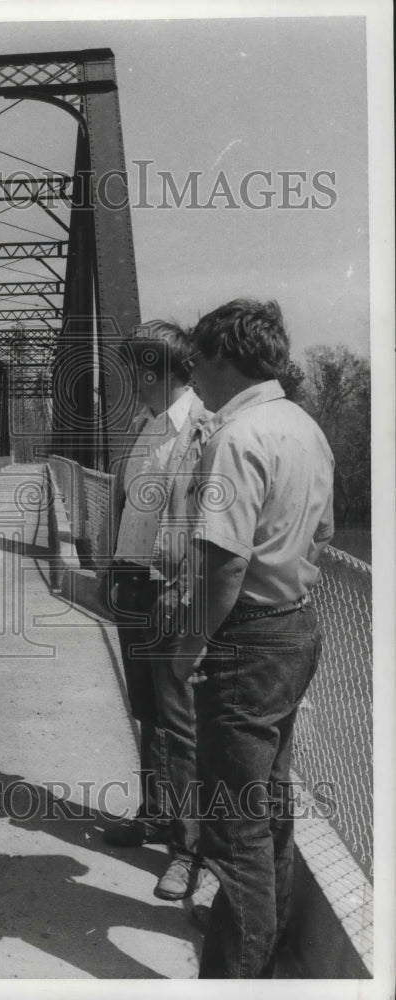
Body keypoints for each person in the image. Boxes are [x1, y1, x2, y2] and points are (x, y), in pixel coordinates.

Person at [175, 299, 334, 978]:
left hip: (245, 640)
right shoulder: (304, 427)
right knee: (268, 810)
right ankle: (260, 964)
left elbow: (223, 562)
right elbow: (322, 537)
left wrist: (189, 643)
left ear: (219, 356)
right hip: (296, 627)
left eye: (196, 361)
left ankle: (234, 981)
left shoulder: (233, 438)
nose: (192, 376)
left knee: (232, 830)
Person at [96, 321, 210, 901]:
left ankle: (190, 851)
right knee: (147, 709)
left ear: (157, 369)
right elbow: (125, 504)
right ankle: (155, 813)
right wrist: (111, 570)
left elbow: (215, 522)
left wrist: (185, 584)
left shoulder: (202, 429)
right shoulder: (144, 427)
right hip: (133, 583)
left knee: (180, 721)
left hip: (172, 589)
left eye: (135, 370)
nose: (128, 383)